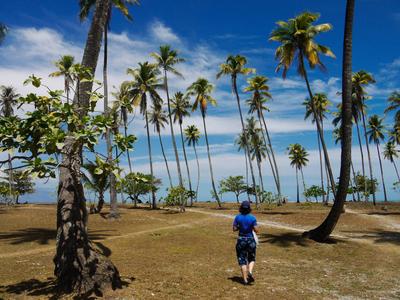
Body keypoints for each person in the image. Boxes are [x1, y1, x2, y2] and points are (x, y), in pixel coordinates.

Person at [232, 200, 259, 285]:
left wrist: (240, 227)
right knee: (251, 258)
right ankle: (250, 271)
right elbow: (256, 230)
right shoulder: (252, 218)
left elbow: (234, 229)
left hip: (241, 240)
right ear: (249, 208)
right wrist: (251, 227)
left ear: (241, 208)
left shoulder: (237, 217)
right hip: (250, 240)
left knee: (242, 260)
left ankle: (245, 280)